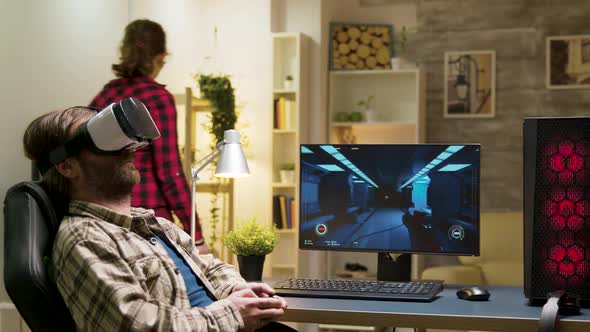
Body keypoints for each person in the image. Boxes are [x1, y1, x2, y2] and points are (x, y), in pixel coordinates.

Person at [22, 106, 292, 331]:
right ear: (66, 165)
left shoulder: (154, 223)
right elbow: (136, 324)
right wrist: (232, 314)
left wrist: (238, 290)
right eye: (103, 141)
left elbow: (210, 267)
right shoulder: (85, 237)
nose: (129, 148)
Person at [89, 19, 208, 253]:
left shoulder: (104, 96)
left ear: (124, 51)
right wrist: (197, 236)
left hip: (106, 221)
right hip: (150, 224)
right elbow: (169, 172)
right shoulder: (157, 98)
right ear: (160, 57)